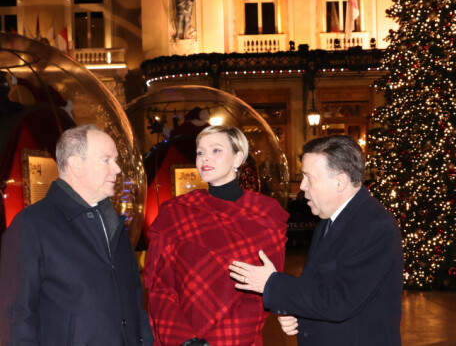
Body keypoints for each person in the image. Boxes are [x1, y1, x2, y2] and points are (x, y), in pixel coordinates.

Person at [229, 134, 404, 346]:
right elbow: (318, 287)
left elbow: (340, 301)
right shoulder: (329, 219)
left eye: (309, 177)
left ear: (340, 181)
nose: (302, 186)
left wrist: (271, 283)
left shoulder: (374, 226)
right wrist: (297, 314)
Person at [0, 124, 153, 346]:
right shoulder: (31, 225)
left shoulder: (113, 224)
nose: (117, 169)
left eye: (116, 159)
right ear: (75, 165)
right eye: (106, 159)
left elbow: (134, 302)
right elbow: (16, 318)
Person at [144, 125, 289, 346]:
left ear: (238, 158)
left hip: (237, 339)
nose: (205, 158)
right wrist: (184, 340)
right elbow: (161, 287)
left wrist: (214, 343)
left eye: (216, 150)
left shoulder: (265, 214)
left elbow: (261, 295)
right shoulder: (176, 212)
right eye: (200, 152)